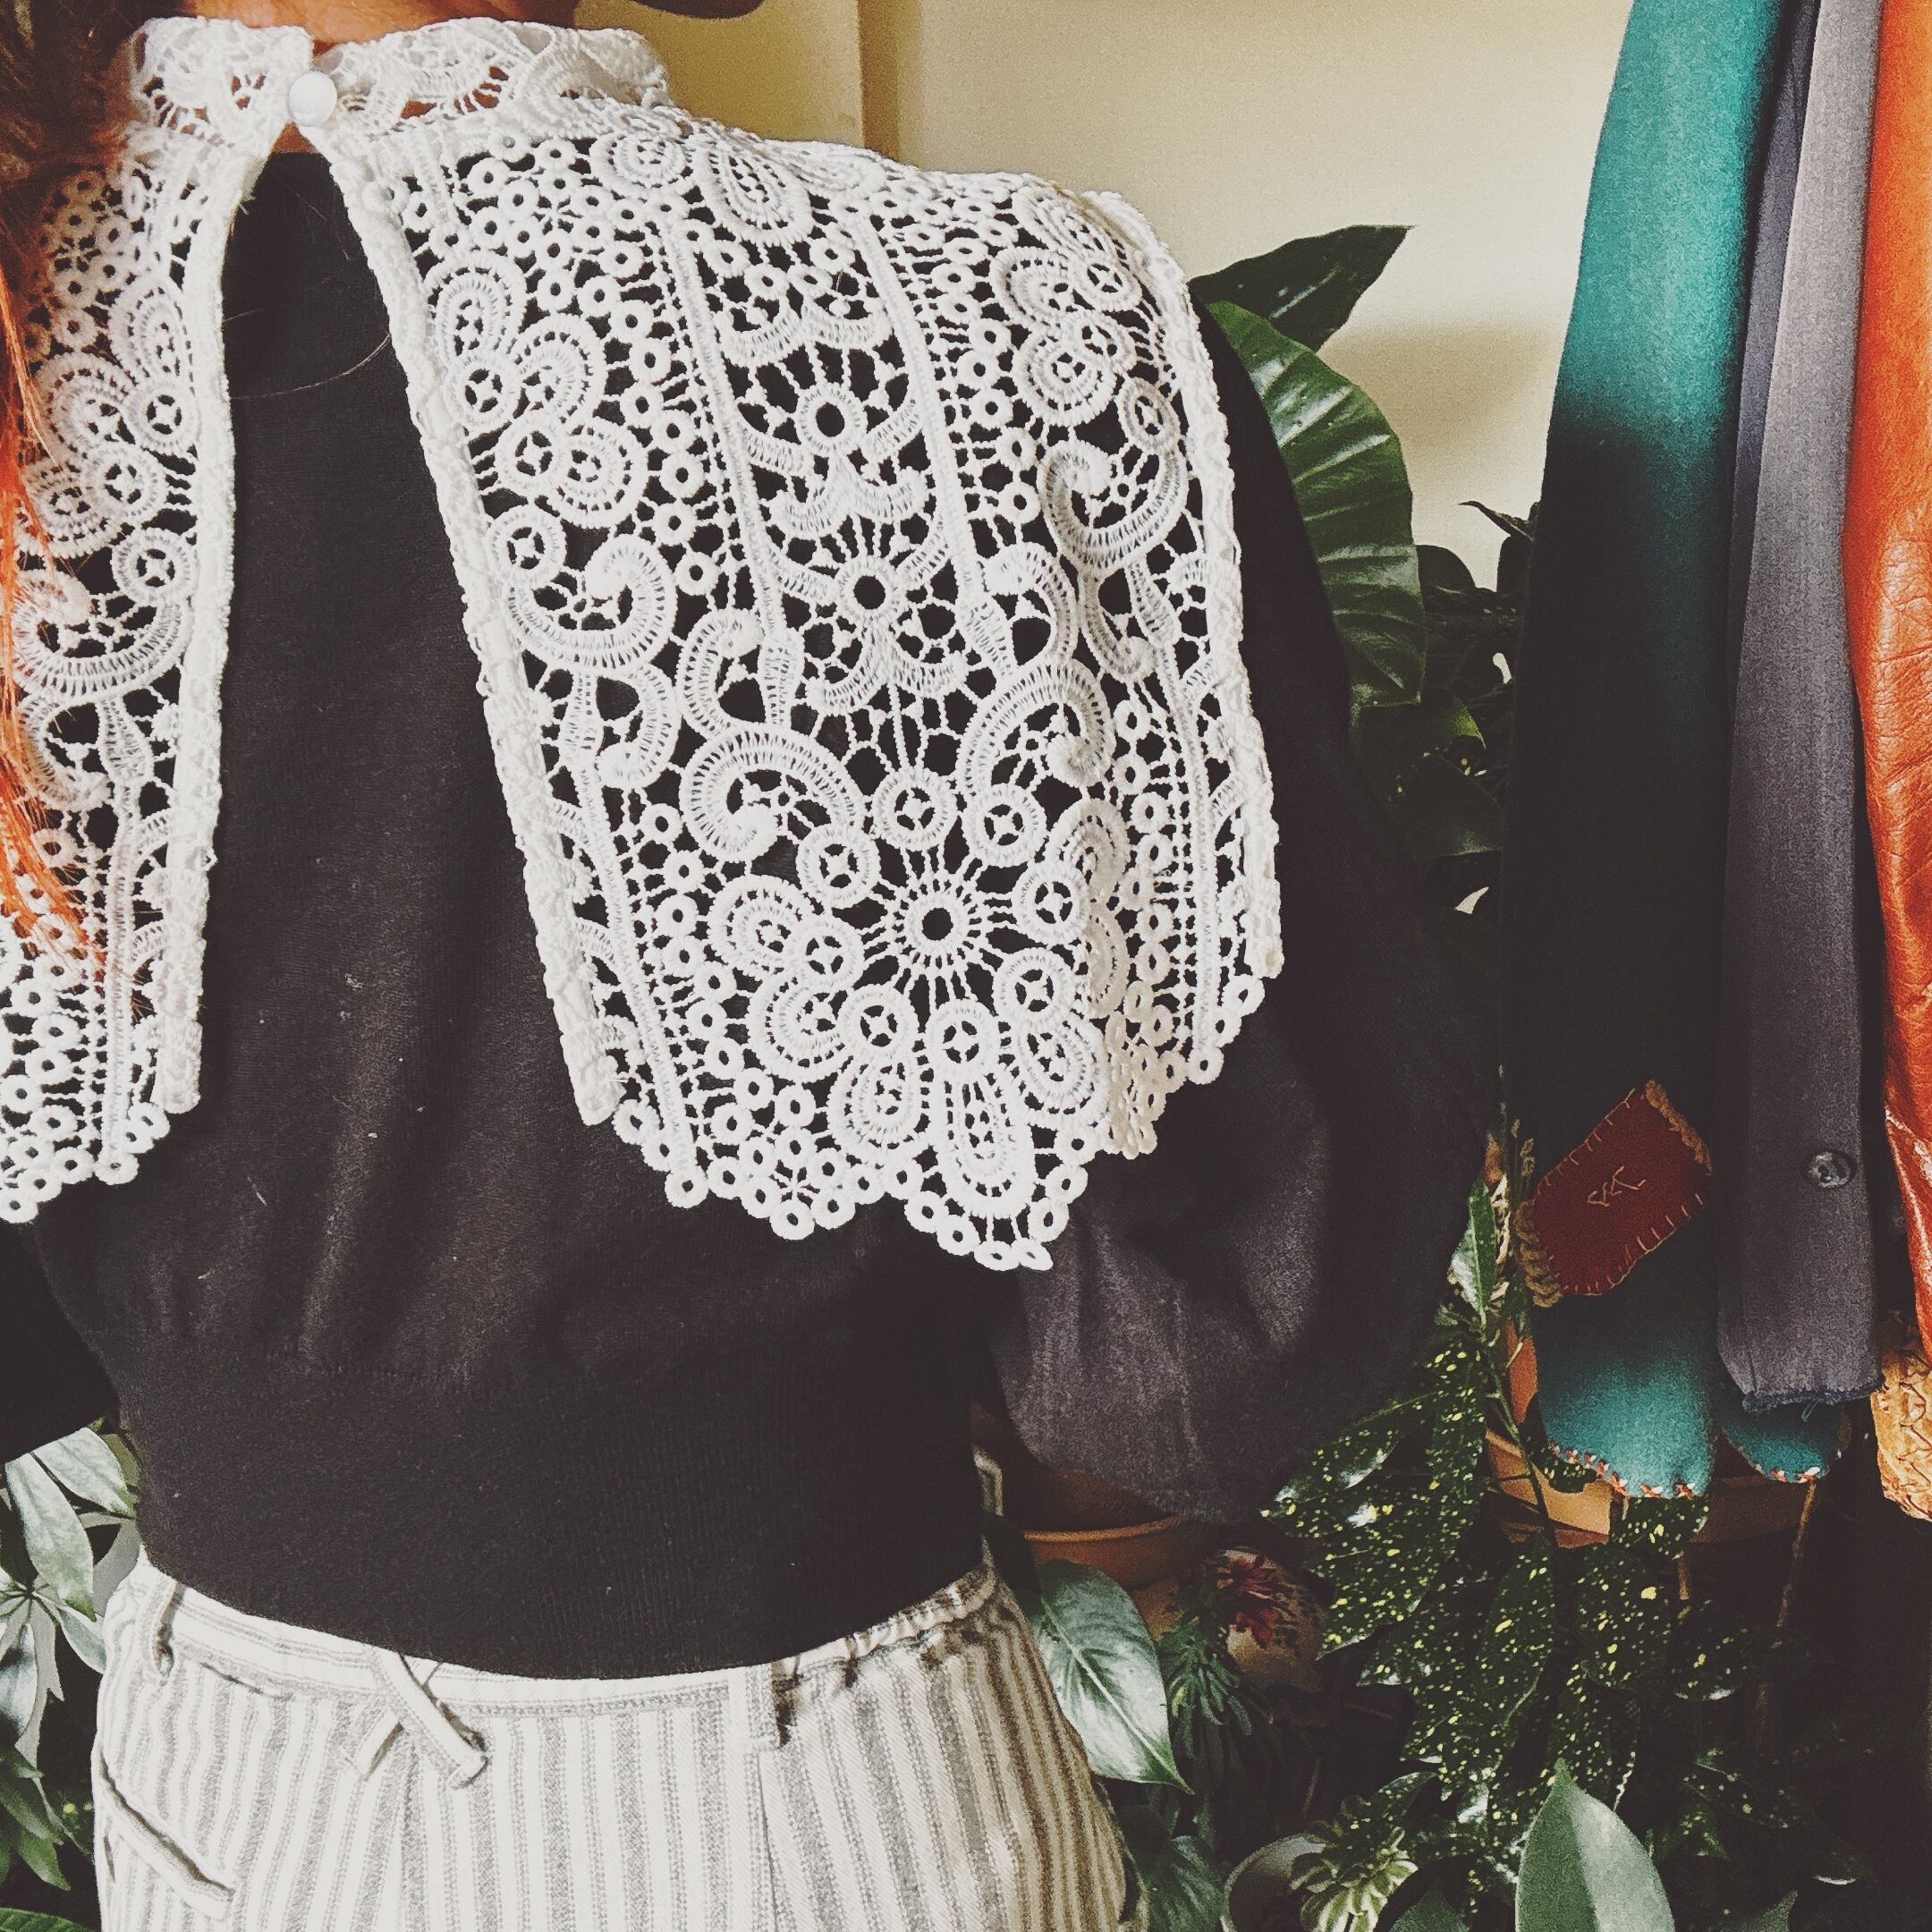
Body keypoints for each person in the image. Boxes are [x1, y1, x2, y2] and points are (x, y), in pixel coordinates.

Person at [0, 1, 1487, 1925]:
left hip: (236, 1801)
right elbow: (1194, 1373)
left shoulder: (35, 344)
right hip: (826, 1803)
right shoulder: (1010, 322)